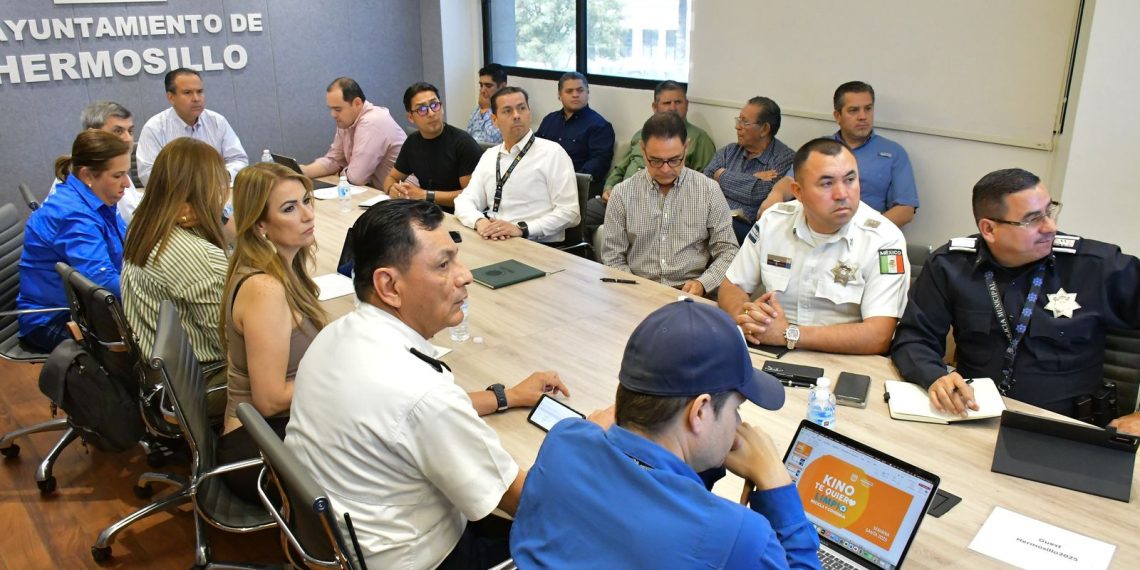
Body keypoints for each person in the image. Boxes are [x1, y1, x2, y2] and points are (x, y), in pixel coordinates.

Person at [286, 200, 571, 569]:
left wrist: (507, 396)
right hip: (421, 558)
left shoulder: (335, 336)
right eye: (443, 264)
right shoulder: (422, 395)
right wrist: (588, 437)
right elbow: (527, 501)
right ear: (388, 285)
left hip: (340, 543)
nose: (465, 275)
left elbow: (403, 420)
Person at [510, 299, 820, 568]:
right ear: (699, 412)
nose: (738, 423)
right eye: (736, 409)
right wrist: (776, 484)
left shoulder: (563, 441)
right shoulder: (737, 535)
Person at [891, 168, 1140, 431]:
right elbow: (914, 337)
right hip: (975, 418)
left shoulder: (1096, 267)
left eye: (1050, 210)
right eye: (1032, 219)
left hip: (1068, 430)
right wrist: (935, 376)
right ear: (989, 229)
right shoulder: (950, 266)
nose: (1050, 227)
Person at [718, 138, 909, 355]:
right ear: (798, 192)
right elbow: (732, 286)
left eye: (850, 179)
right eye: (827, 183)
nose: (842, 194)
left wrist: (789, 334)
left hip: (843, 359)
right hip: (769, 348)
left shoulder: (884, 239)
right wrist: (747, 318)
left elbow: (878, 336)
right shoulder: (774, 221)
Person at [215, 162, 328, 503]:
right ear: (261, 224)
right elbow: (269, 399)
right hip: (257, 451)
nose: (307, 215)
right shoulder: (265, 288)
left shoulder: (281, 270)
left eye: (307, 201)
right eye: (290, 208)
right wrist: (339, 377)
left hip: (276, 432)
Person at [121, 138, 231, 413]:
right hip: (204, 382)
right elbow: (234, 346)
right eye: (220, 184)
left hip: (162, 375)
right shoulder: (198, 256)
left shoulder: (143, 225)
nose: (224, 193)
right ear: (204, 190)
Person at [602, 112, 737, 298]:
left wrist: (702, 283)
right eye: (655, 160)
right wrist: (633, 288)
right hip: (637, 290)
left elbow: (728, 251)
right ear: (642, 150)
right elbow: (612, 256)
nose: (665, 169)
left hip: (689, 294)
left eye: (675, 160)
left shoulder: (708, 190)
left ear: (686, 147)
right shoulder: (623, 193)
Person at [17, 130, 131, 351]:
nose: (127, 183)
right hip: (50, 321)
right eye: (118, 175)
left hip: (84, 310)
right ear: (88, 175)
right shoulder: (72, 214)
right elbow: (103, 283)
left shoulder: (97, 199)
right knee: (141, 349)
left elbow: (129, 248)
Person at [760, 81, 919, 228]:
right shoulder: (819, 148)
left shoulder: (893, 152)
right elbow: (791, 180)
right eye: (854, 110)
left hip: (866, 235)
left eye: (868, 108)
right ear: (838, 116)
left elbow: (905, 209)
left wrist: (868, 231)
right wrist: (776, 194)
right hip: (815, 230)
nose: (863, 116)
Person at [584, 80, 717, 232]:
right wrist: (609, 188)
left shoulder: (699, 139)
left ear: (686, 105)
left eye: (678, 102)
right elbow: (620, 168)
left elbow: (702, 184)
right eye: (667, 103)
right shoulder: (643, 134)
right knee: (582, 213)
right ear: (655, 107)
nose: (673, 108)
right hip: (621, 199)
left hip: (658, 205)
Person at [454, 87, 580, 245]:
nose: (516, 116)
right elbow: (464, 201)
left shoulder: (552, 153)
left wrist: (522, 229)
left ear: (529, 112)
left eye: (522, 108)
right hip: (495, 238)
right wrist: (480, 222)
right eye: (507, 111)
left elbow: (570, 212)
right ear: (494, 120)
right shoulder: (490, 155)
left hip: (537, 244)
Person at [703, 97, 795, 243]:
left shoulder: (784, 158)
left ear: (764, 129)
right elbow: (705, 183)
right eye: (738, 120)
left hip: (749, 233)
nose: (737, 127)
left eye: (744, 122)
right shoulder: (729, 151)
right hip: (712, 220)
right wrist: (753, 177)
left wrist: (721, 175)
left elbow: (760, 192)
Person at [382, 82, 484, 213]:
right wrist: (392, 189)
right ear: (410, 117)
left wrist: (426, 195)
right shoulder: (412, 142)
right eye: (422, 109)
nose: (431, 113)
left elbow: (472, 196)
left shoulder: (463, 143)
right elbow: (391, 178)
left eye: (434, 105)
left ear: (441, 108)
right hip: (429, 214)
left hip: (462, 215)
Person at [136, 68, 248, 185]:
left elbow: (239, 159)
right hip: (176, 198)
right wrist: (190, 184)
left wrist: (224, 175)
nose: (196, 98)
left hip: (215, 193)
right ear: (171, 97)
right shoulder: (154, 128)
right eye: (187, 93)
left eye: (199, 91)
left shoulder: (217, 122)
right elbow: (147, 174)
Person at [301, 76, 407, 188]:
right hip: (377, 193)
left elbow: (356, 178)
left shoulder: (373, 121)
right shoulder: (346, 122)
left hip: (405, 197)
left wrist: (339, 172)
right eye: (330, 109)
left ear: (357, 103)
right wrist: (303, 171)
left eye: (338, 109)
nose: (333, 115)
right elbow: (334, 160)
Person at [49, 101, 144, 223]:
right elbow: (132, 222)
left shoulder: (114, 166)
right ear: (92, 134)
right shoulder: (86, 177)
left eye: (130, 131)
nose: (128, 139)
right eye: (118, 131)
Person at [534, 72, 615, 188]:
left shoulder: (600, 126)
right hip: (542, 181)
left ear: (587, 93)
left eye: (580, 90)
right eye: (569, 91)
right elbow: (535, 150)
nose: (575, 95)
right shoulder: (550, 120)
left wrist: (568, 180)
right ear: (559, 95)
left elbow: (598, 164)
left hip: (575, 187)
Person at [467, 63, 507, 145]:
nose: (482, 90)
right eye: (481, 85)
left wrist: (486, 110)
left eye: (488, 86)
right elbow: (469, 135)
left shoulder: (508, 110)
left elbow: (490, 141)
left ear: (502, 87)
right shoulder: (480, 107)